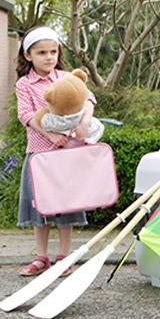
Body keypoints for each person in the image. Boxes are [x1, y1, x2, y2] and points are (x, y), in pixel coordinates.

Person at [14, 27, 97, 276]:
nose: (48, 57)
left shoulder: (65, 77)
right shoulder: (24, 84)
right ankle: (41, 257)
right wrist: (49, 134)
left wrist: (84, 122)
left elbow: (89, 98)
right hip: (39, 155)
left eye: (53, 51)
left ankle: (64, 256)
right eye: (41, 52)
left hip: (66, 155)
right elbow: (26, 114)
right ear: (28, 55)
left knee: (65, 207)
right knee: (40, 207)